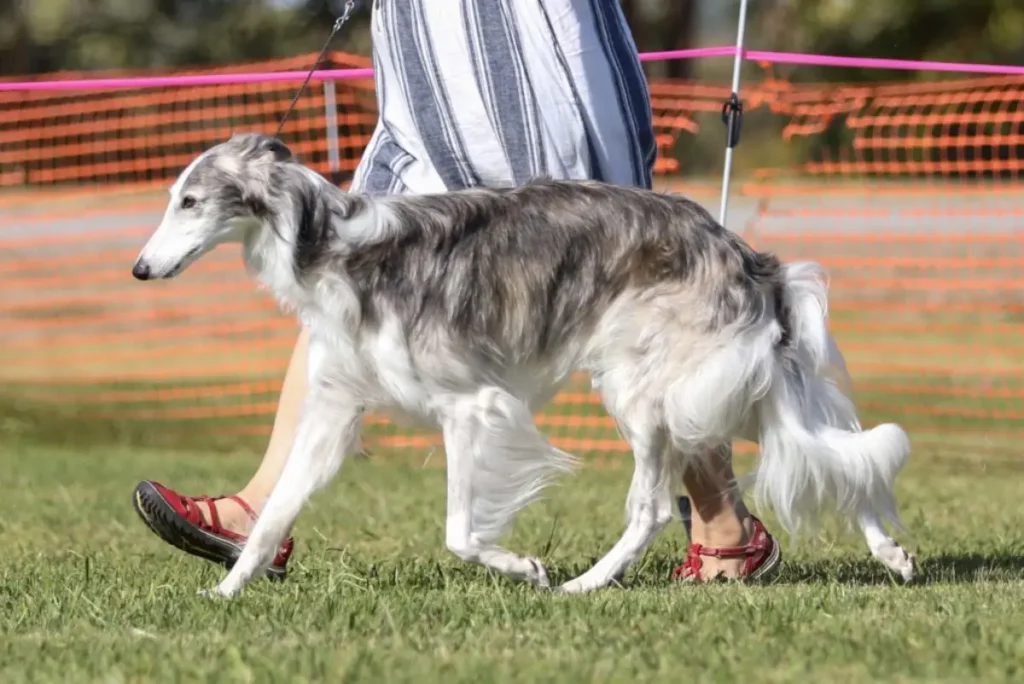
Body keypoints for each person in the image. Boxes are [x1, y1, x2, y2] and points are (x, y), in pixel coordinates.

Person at [132, 0, 780, 584]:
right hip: (424, 51)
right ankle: (260, 509)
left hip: (523, 47)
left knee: (626, 282)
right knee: (345, 272)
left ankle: (725, 526)